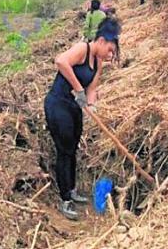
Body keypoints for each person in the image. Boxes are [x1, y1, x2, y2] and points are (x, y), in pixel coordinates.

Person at [43, 18, 120, 220]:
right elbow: (61, 61)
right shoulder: (82, 49)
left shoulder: (98, 63)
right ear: (101, 41)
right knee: (64, 149)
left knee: (73, 148)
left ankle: (72, 189)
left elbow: (92, 89)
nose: (110, 55)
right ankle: (65, 199)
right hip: (58, 104)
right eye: (110, 50)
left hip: (74, 107)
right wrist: (78, 89)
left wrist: (91, 105)